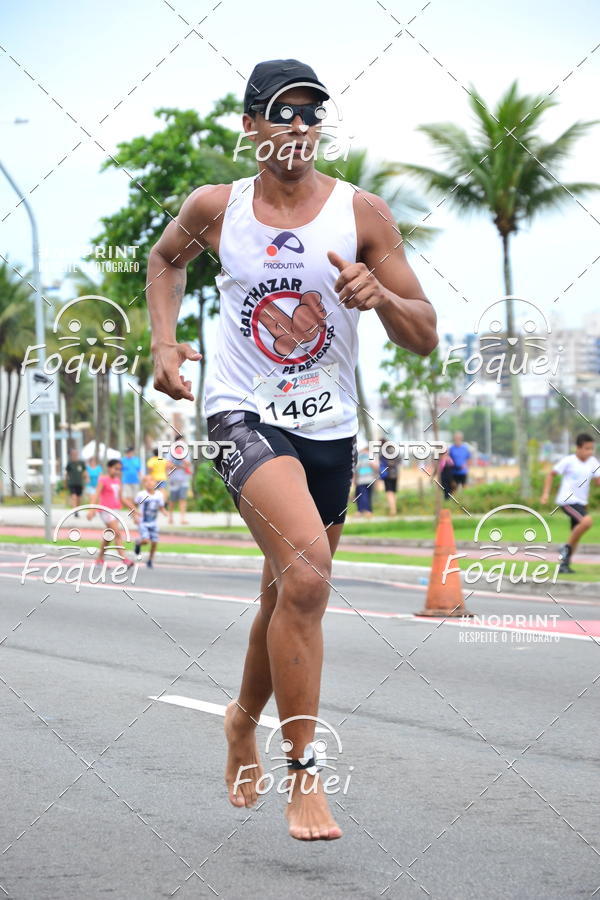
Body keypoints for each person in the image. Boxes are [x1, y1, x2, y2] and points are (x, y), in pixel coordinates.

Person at [146, 57, 438, 841]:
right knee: (308, 574)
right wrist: (165, 342)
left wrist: (382, 296)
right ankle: (303, 772)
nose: (301, 126)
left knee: (287, 591)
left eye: (313, 113)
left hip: (329, 427)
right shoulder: (216, 208)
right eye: (284, 112)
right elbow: (164, 260)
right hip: (242, 412)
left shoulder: (361, 213)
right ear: (251, 127)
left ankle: (242, 719)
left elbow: (424, 334)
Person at [540, 433, 600, 574]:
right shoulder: (568, 461)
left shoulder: (593, 462)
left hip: (581, 502)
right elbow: (551, 474)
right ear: (578, 448)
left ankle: (564, 565)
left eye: (592, 449)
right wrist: (545, 494)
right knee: (587, 522)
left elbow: (598, 481)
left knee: (575, 535)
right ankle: (565, 547)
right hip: (567, 500)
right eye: (587, 448)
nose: (590, 452)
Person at [87, 458, 134, 566]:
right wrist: (91, 509)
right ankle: (124, 559)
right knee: (117, 533)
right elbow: (96, 495)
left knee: (109, 535)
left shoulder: (118, 481)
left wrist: (133, 509)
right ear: (109, 468)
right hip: (106, 510)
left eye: (119, 469)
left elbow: (121, 498)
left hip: (115, 510)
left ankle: (99, 558)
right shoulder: (103, 480)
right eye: (115, 468)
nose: (117, 471)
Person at [133, 475, 167, 567]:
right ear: (144, 484)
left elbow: (161, 507)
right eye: (146, 481)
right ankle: (138, 543)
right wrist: (135, 517)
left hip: (153, 522)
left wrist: (164, 512)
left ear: (155, 483)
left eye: (151, 480)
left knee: (155, 542)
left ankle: (150, 560)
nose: (149, 483)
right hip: (143, 522)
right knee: (146, 540)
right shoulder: (141, 495)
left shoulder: (159, 495)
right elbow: (134, 506)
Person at [166, 452, 191, 524]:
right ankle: (170, 517)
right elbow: (168, 465)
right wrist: (181, 466)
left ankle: (183, 519)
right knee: (172, 500)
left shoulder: (186, 453)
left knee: (183, 499)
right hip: (173, 481)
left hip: (184, 480)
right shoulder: (170, 453)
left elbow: (188, 464)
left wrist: (181, 459)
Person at [354, 446, 379, 517]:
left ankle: (364, 511)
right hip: (370, 479)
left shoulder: (359, 456)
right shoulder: (371, 456)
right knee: (368, 495)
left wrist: (355, 480)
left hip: (361, 480)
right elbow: (376, 467)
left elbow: (355, 469)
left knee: (362, 495)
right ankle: (367, 511)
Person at [65, 447, 87, 515]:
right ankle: (75, 511)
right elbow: (67, 473)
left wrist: (86, 479)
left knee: (79, 498)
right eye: (73, 453)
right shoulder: (69, 463)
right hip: (72, 483)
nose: (74, 455)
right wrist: (66, 482)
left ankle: (77, 509)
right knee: (74, 497)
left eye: (75, 453)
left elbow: (84, 472)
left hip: (79, 483)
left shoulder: (81, 463)